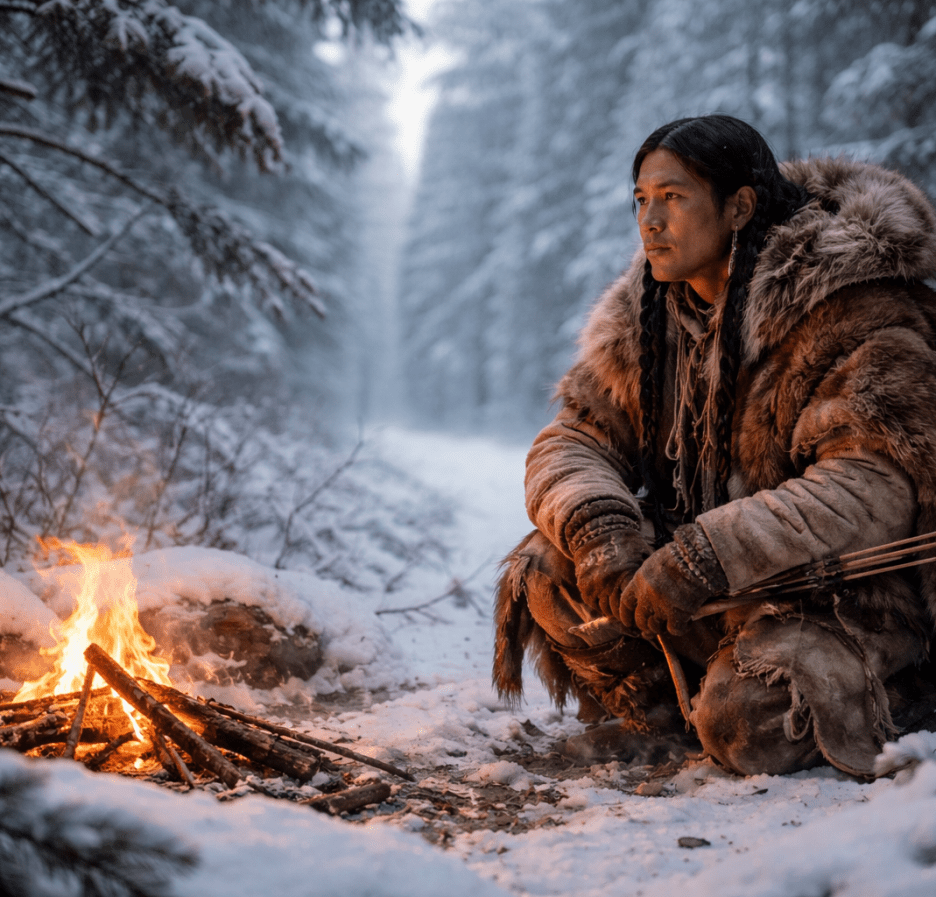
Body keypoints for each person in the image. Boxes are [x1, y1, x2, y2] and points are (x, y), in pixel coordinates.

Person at [494, 114, 936, 778]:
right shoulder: (648, 318)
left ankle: (906, 697)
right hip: (713, 593)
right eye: (640, 199)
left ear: (739, 207)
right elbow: (574, 436)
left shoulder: (857, 310)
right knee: (549, 563)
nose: (649, 218)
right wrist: (603, 531)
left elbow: (870, 490)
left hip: (848, 598)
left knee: (743, 722)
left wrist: (704, 557)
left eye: (672, 196)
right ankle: (671, 701)